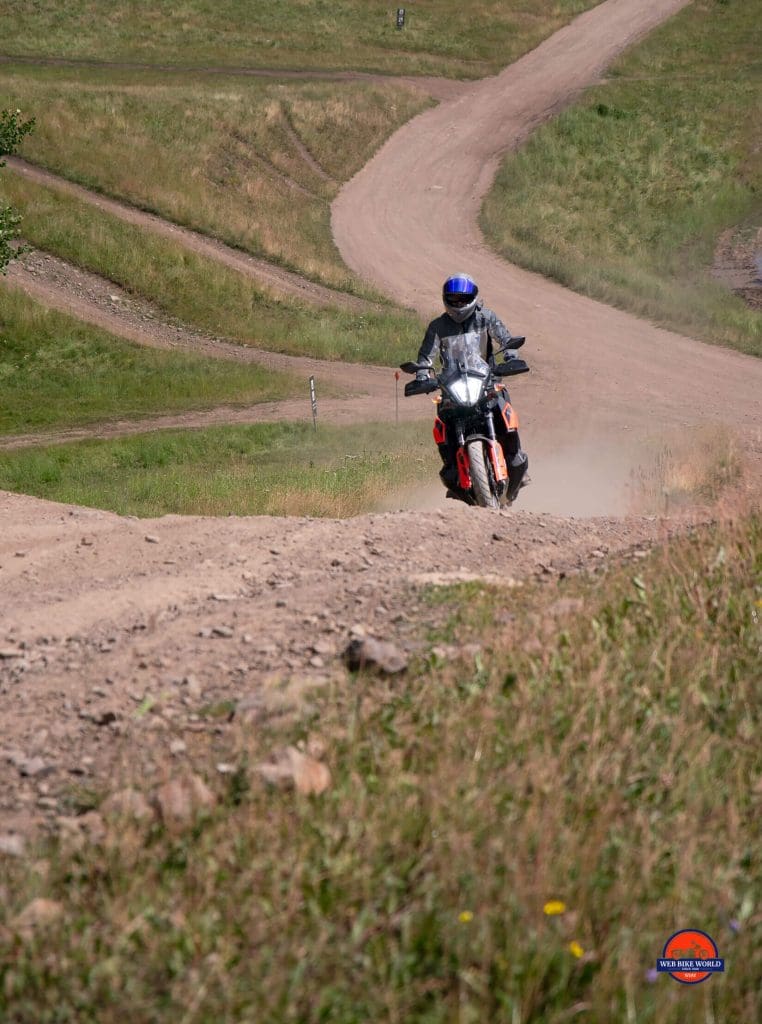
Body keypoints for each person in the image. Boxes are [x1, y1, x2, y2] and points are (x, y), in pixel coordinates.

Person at [415, 272, 529, 502]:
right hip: (452, 387)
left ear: (473, 297)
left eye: (462, 299)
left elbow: (505, 339)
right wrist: (421, 375)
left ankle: (516, 459)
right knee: (443, 428)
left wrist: (510, 355)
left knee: (505, 412)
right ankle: (453, 471)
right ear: (446, 299)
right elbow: (426, 357)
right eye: (453, 299)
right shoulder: (438, 326)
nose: (458, 304)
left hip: (486, 381)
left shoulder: (486, 318)